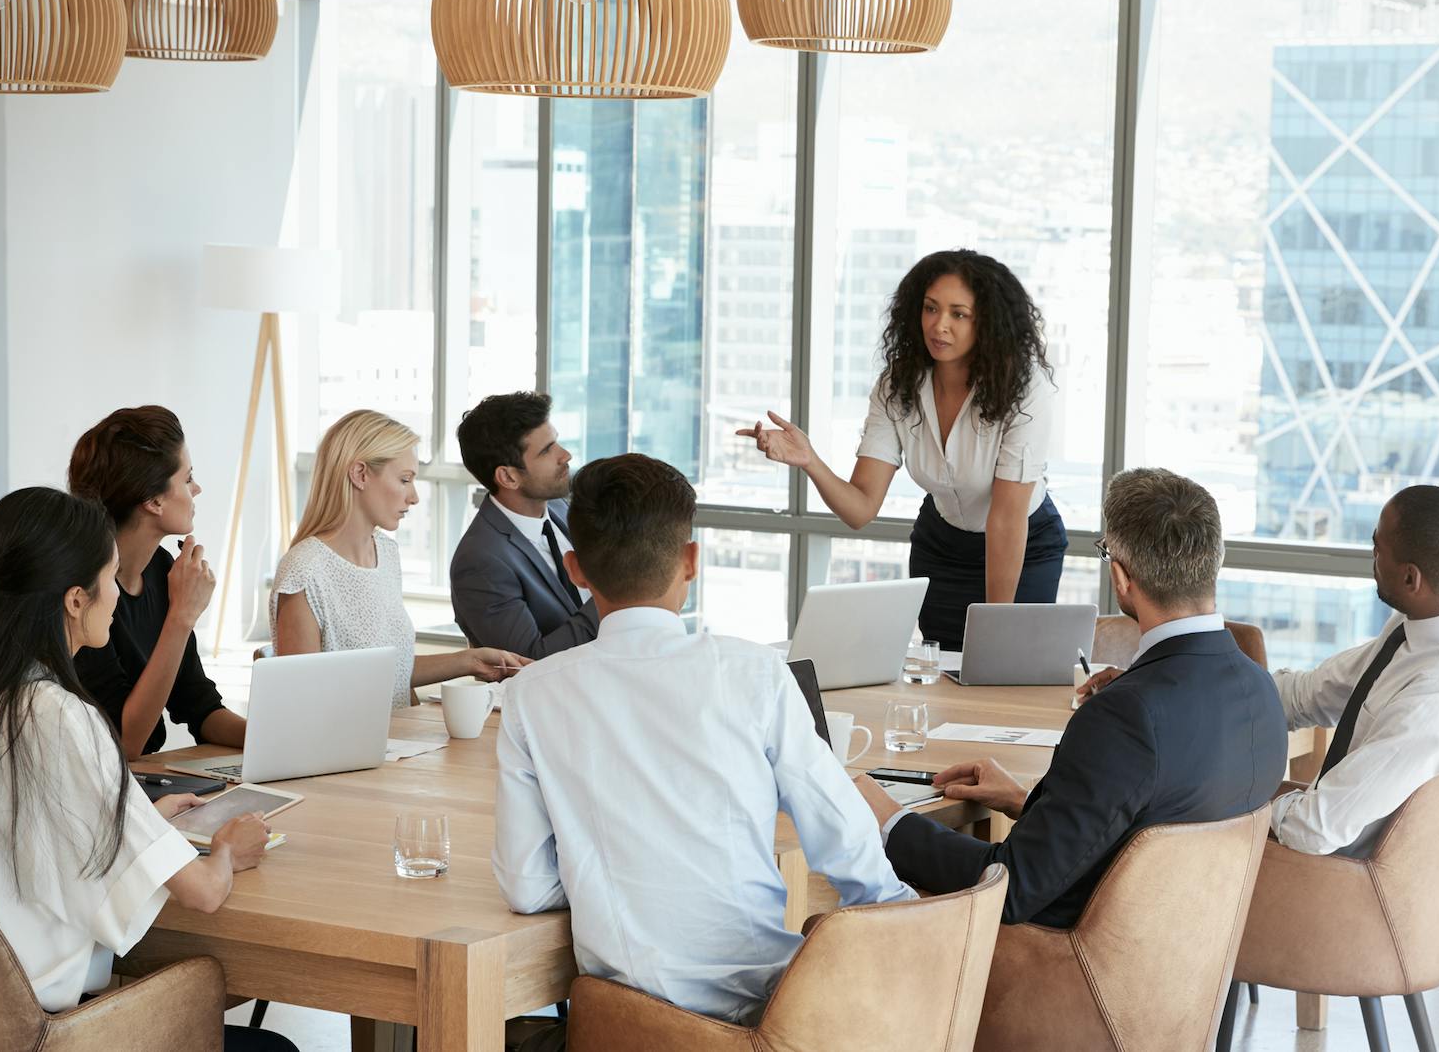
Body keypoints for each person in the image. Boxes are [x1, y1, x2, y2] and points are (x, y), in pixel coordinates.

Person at [493, 453, 913, 1033]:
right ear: (691, 561)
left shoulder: (530, 696)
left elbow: (527, 886)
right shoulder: (758, 672)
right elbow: (847, 842)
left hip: (631, 1032)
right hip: (772, 1020)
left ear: (574, 570)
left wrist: (608, 865)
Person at [0, 487, 293, 1051]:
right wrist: (228, 850)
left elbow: (29, 828)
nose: (116, 596)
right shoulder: (60, 715)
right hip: (49, 1032)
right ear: (76, 600)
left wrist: (140, 819)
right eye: (109, 577)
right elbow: (202, 892)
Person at [855, 468, 1286, 927]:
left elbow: (1012, 887)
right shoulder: (1260, 689)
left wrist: (885, 819)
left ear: (1120, 577)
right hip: (1180, 974)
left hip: (1063, 966)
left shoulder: (1126, 716)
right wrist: (1028, 802)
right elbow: (1148, 826)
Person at [739, 249, 1066, 649]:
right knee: (942, 673)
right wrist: (810, 460)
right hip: (942, 545)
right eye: (930, 308)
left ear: (988, 323)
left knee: (1005, 670)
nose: (939, 325)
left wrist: (995, 633)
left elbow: (1005, 520)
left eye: (958, 314)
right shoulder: (898, 385)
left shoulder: (1025, 389)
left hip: (1022, 543)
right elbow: (860, 508)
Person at [1255, 485, 1439, 856]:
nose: (1370, 557)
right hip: (1328, 837)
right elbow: (1316, 693)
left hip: (1334, 873)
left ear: (1410, 579)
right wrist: (1228, 694)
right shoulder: (1422, 629)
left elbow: (1315, 828)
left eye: (1377, 548)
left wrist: (1236, 811)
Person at [272, 410, 527, 716]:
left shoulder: (386, 553)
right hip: (343, 755)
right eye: (405, 480)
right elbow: (300, 701)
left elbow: (391, 673)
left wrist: (469, 661)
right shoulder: (304, 570)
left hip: (397, 744)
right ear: (360, 474)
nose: (414, 497)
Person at [68, 405, 247, 760]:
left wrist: (278, 740)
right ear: (152, 500)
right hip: (105, 789)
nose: (196, 488)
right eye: (187, 478)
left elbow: (199, 705)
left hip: (140, 783)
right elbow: (124, 742)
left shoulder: (162, 569)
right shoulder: (83, 594)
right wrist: (182, 617)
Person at [448, 391, 598, 659]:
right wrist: (613, 596)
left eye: (556, 442)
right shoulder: (480, 561)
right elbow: (527, 661)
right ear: (508, 476)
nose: (565, 455)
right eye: (546, 451)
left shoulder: (559, 508)